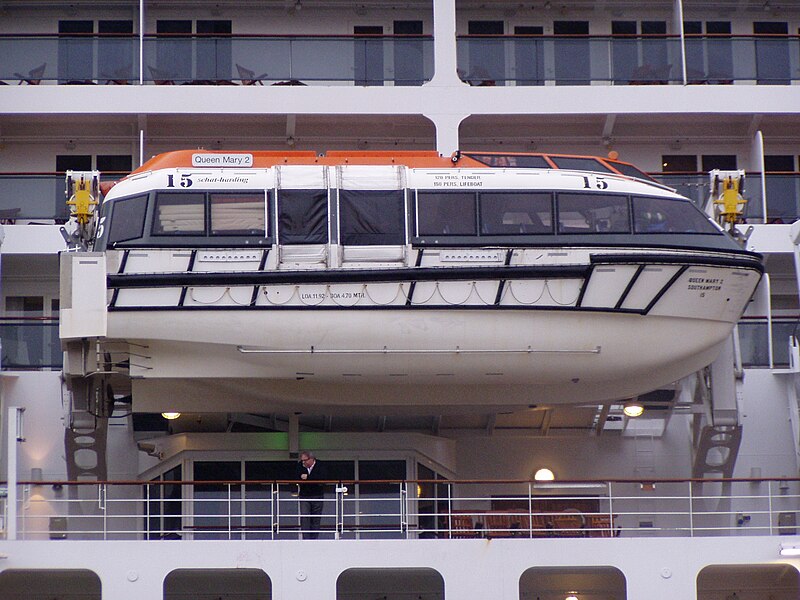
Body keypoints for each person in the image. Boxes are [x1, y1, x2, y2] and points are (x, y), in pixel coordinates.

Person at [296, 451, 325, 539]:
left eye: (305, 460)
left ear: (312, 459)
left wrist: (308, 478)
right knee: (305, 517)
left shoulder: (321, 465)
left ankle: (314, 540)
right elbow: (295, 476)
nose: (303, 462)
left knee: (316, 519)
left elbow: (323, 478)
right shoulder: (299, 465)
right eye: (302, 461)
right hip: (305, 495)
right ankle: (306, 539)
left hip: (317, 495)